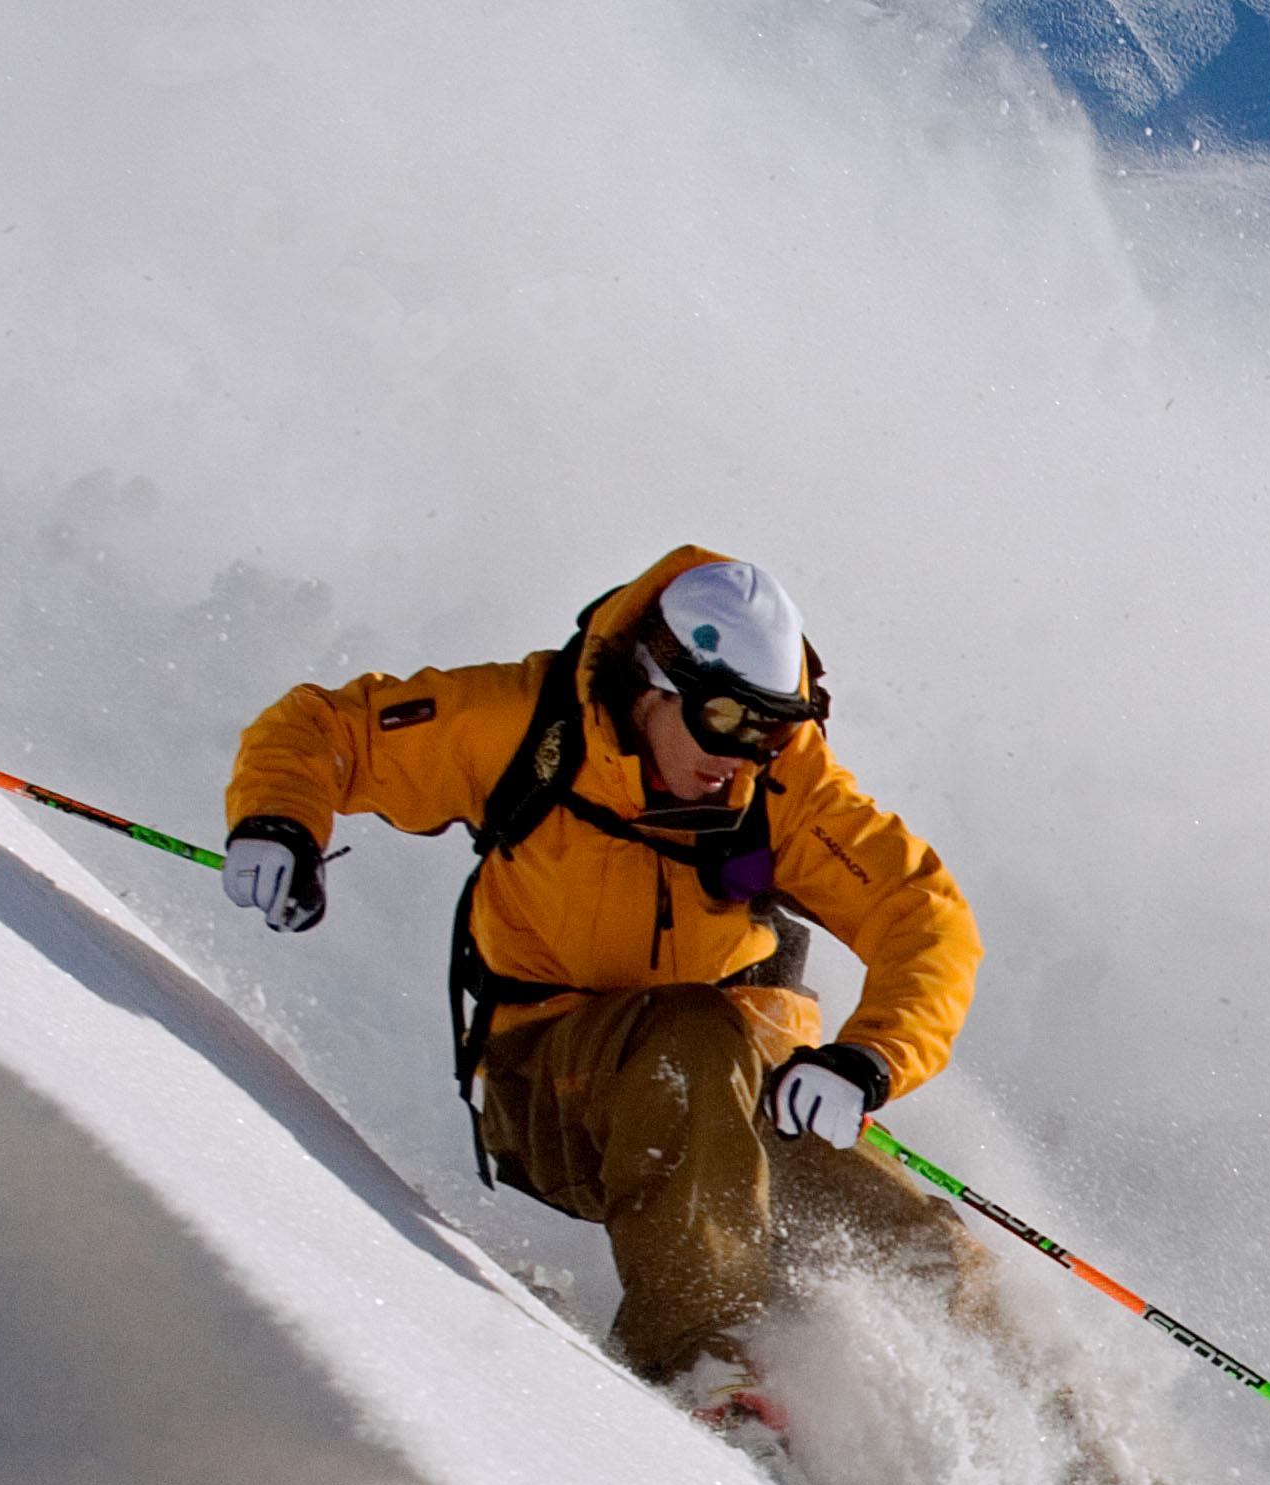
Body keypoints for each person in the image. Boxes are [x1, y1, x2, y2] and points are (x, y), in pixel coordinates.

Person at [218, 545, 983, 1391]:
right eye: (726, 719)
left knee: (924, 1253)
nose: (744, 752)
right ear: (655, 684)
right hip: (553, 1085)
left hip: (742, 1098)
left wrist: (868, 1057)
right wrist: (280, 821)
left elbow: (923, 916)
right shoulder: (524, 725)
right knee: (692, 1041)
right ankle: (700, 1376)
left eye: (773, 725)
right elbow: (328, 729)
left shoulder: (781, 788)